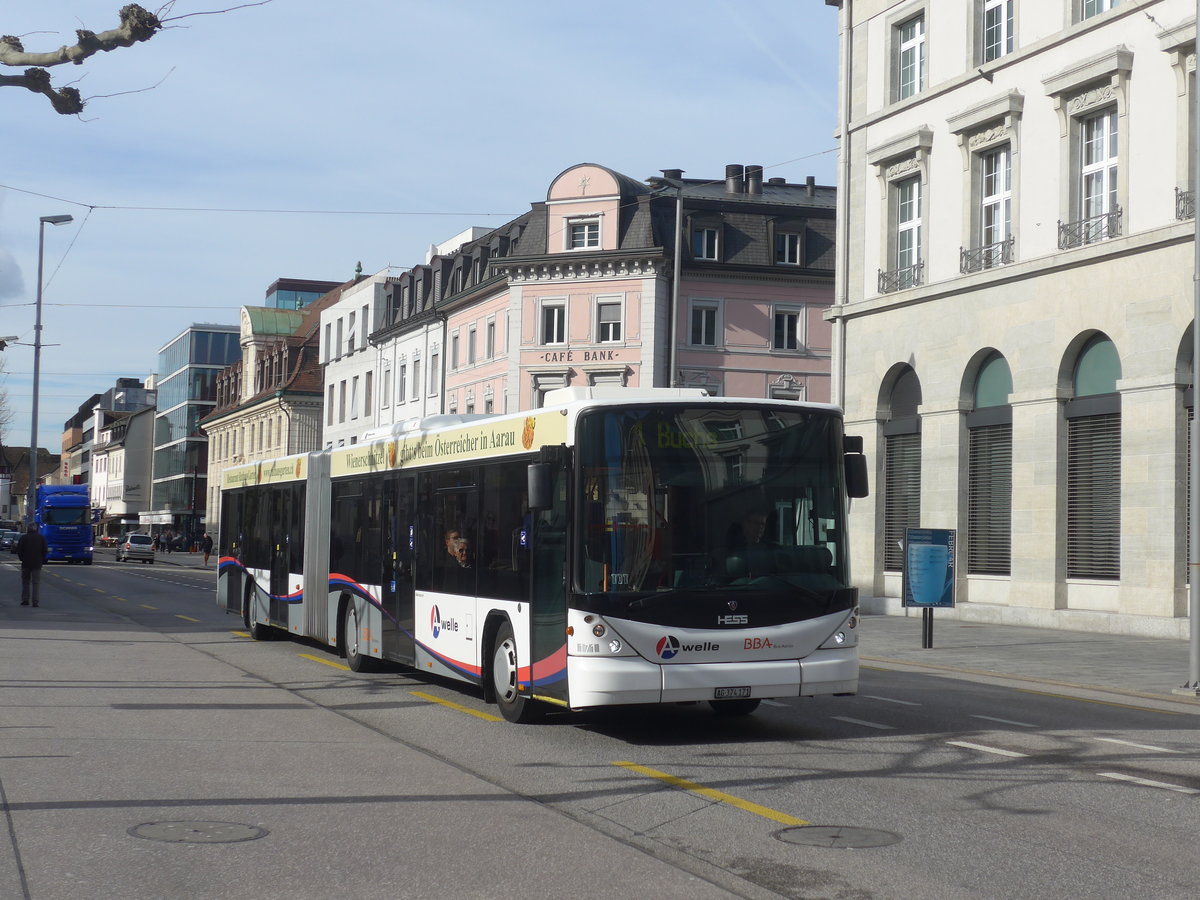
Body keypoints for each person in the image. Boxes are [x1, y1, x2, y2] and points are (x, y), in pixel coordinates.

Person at [17, 524, 49, 608]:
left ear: (28, 528)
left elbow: (19, 550)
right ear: (36, 529)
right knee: (36, 583)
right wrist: (41, 559)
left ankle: (25, 600)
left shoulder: (24, 538)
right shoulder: (41, 538)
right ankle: (35, 601)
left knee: (25, 582)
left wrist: (22, 559)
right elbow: (45, 550)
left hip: (26, 563)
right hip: (37, 563)